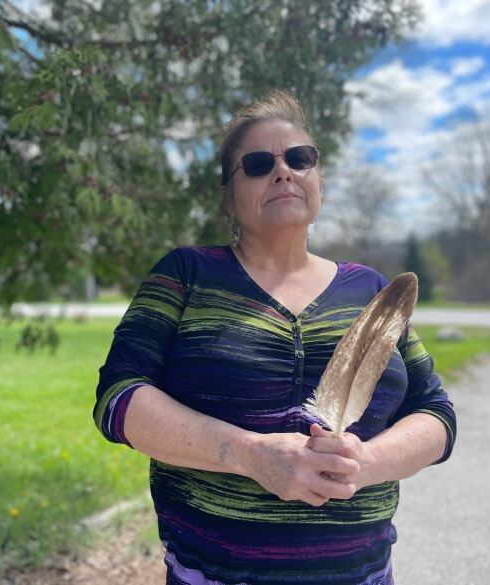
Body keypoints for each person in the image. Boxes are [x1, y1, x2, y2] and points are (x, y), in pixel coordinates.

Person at [93, 90, 456, 585]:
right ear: (229, 196)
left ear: (318, 178)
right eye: (259, 164)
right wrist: (251, 455)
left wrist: (365, 463)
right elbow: (118, 396)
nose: (283, 171)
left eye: (300, 158)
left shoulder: (371, 290)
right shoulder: (187, 274)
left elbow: (435, 412)